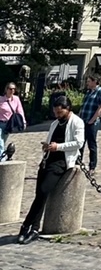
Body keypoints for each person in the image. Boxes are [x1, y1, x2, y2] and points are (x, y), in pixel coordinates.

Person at [18, 95, 85, 243]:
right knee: (39, 196)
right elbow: (51, 140)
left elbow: (79, 143)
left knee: (43, 191)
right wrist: (47, 146)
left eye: (60, 113)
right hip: (48, 160)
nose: (57, 115)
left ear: (68, 109)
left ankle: (26, 225)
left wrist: (58, 147)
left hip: (61, 163)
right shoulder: (55, 123)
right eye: (55, 113)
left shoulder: (77, 122)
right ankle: (33, 228)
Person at [78, 72, 101, 172]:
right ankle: (78, 163)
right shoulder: (89, 92)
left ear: (95, 82)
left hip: (92, 122)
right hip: (83, 121)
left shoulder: (99, 91)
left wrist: (92, 120)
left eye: (89, 81)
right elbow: (84, 105)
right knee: (80, 142)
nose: (87, 83)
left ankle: (92, 166)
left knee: (91, 144)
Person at [1, 81, 27, 160]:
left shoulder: (16, 99)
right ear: (6, 89)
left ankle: (4, 156)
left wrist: (23, 122)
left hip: (9, 124)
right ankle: (2, 161)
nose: (12, 91)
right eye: (10, 89)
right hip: (0, 122)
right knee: (0, 142)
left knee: (3, 141)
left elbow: (20, 111)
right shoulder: (1, 99)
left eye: (14, 89)